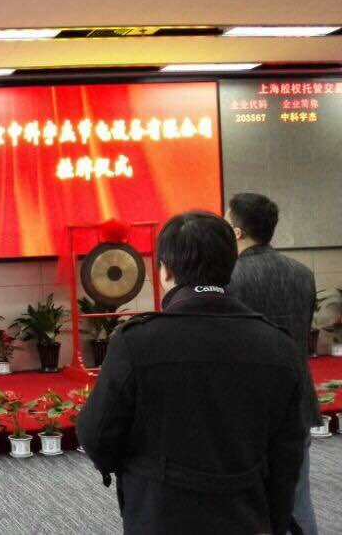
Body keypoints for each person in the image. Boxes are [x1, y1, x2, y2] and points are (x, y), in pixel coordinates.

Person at [77, 211, 307, 534]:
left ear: (166, 271)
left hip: (159, 515)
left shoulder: (136, 342)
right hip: (246, 516)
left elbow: (96, 435)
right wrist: (275, 522)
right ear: (230, 266)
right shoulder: (279, 345)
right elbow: (287, 456)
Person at [226, 192, 321, 534]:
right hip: (297, 400)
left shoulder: (228, 277)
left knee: (245, 505)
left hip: (246, 406)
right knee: (298, 501)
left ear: (237, 232)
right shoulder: (302, 273)